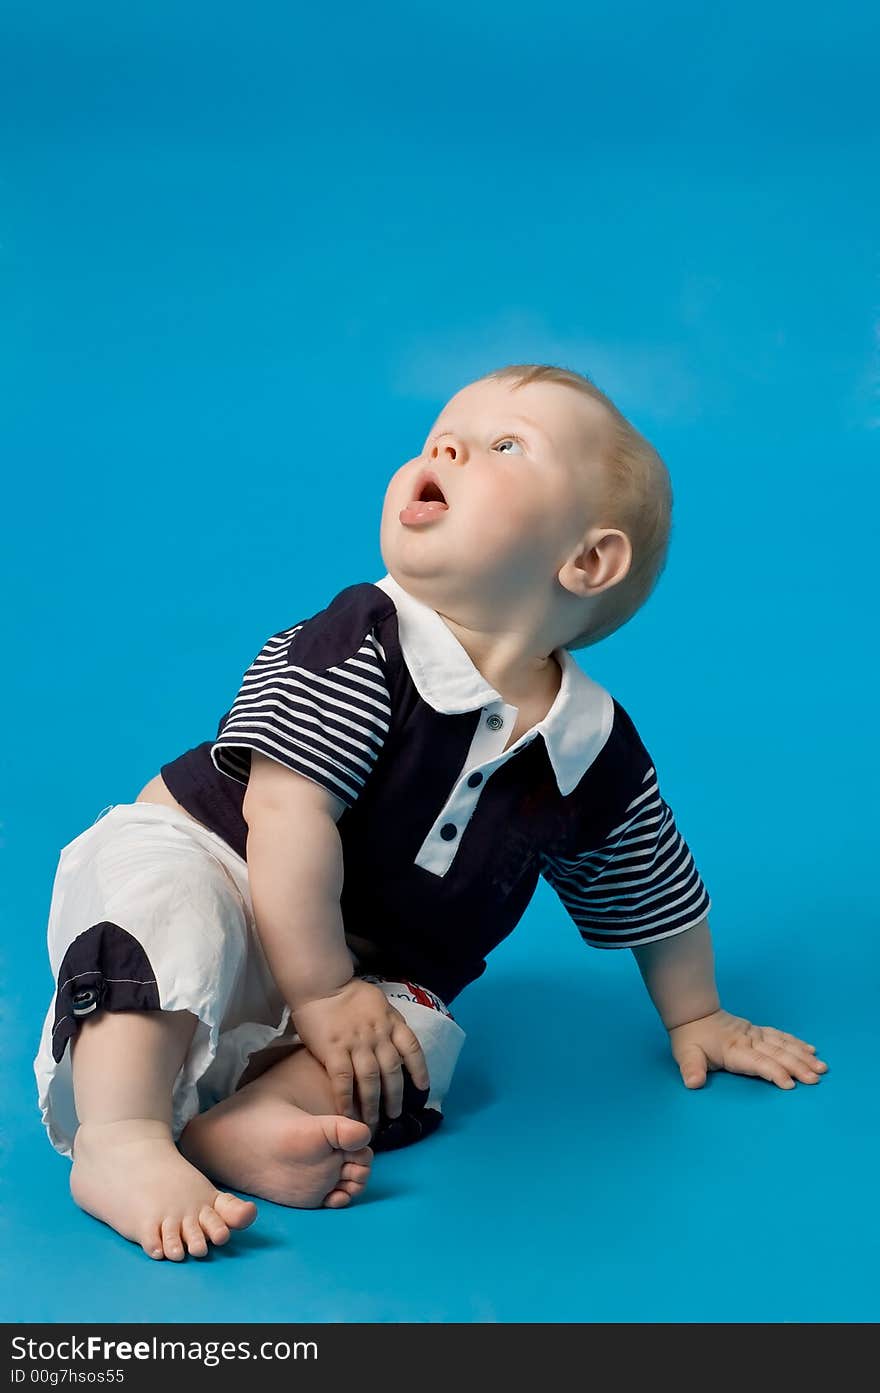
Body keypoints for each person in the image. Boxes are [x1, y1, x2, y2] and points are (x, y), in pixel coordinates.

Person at [33, 363, 828, 1261]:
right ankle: (122, 1135)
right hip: (229, 861)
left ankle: (249, 1122)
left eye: (502, 445)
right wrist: (322, 990)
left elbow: (653, 890)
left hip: (355, 980)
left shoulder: (588, 745)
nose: (444, 446)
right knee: (165, 908)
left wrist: (697, 1016)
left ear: (588, 560)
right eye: (439, 434)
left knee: (420, 1035)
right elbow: (288, 818)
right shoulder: (363, 640)